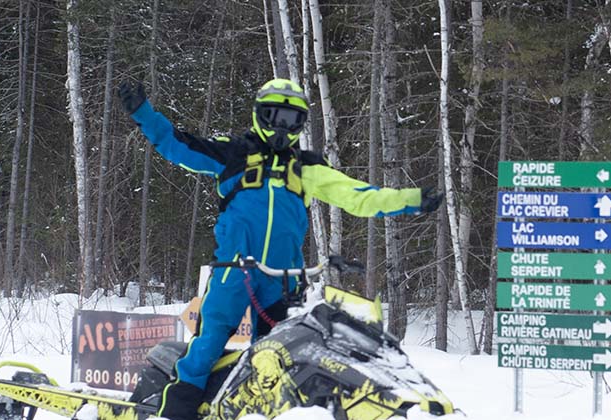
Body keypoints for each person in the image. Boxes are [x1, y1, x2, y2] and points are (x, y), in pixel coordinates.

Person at [117, 78, 442, 420]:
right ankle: (174, 413)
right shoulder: (233, 153)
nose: (283, 128)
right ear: (260, 115)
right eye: (276, 117)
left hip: (280, 281)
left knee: (279, 360)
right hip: (234, 272)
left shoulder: (305, 167)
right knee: (207, 347)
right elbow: (177, 145)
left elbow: (357, 195)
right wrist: (143, 112)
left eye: (293, 121)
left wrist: (410, 200)